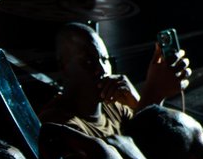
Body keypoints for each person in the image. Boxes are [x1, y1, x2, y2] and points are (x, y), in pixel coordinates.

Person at [40, 22, 191, 140]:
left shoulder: (115, 107)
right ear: (63, 66)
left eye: (105, 60)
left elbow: (158, 142)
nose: (102, 69)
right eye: (88, 61)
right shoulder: (57, 124)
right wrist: (153, 94)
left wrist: (138, 102)